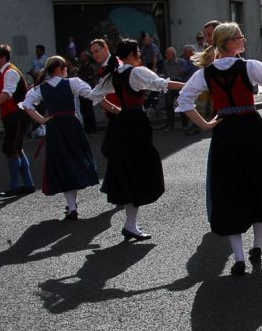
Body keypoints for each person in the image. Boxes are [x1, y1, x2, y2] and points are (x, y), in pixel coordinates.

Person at [177, 22, 262, 275]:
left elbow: (183, 100)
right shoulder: (250, 67)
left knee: (229, 191)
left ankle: (239, 258)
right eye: (240, 36)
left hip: (225, 132)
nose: (244, 39)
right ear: (231, 42)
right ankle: (257, 246)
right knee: (258, 186)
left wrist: (205, 124)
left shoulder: (206, 73)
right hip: (251, 129)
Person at [91, 38, 185, 240]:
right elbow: (162, 84)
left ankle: (131, 224)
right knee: (141, 168)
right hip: (135, 122)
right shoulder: (137, 71)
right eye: (138, 52)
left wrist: (117, 110)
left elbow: (95, 95)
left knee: (128, 170)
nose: (141, 55)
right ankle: (130, 224)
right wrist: (191, 85)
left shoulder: (115, 74)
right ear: (133, 53)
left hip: (121, 122)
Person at [18, 55, 100, 219]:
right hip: (72, 125)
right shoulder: (73, 82)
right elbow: (92, 95)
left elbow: (26, 105)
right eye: (66, 68)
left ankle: (72, 206)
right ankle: (72, 206)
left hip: (55, 126)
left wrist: (41, 119)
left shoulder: (41, 87)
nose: (67, 71)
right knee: (76, 161)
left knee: (62, 164)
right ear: (60, 68)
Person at [0, 44, 36, 197]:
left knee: (11, 149)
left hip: (17, 115)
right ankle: (28, 184)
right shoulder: (6, 71)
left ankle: (15, 186)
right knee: (16, 148)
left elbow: (7, 94)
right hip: (16, 114)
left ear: (3, 57)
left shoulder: (10, 72)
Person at [160, 46, 193, 132]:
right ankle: (170, 125)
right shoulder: (165, 62)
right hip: (170, 85)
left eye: (168, 53)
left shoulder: (182, 62)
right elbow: (164, 73)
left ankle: (185, 124)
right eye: (166, 53)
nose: (166, 55)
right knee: (168, 104)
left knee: (182, 104)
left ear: (173, 54)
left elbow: (188, 71)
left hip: (179, 85)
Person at [75, 50, 100, 132]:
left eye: (82, 56)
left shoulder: (92, 67)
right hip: (81, 90)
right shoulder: (81, 67)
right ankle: (87, 127)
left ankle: (93, 127)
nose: (80, 57)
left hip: (89, 89)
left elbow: (94, 78)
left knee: (89, 109)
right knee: (84, 109)